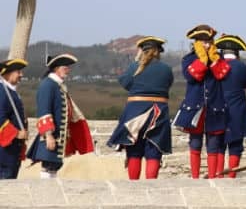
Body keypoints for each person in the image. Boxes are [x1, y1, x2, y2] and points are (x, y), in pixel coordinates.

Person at [108, 36, 173, 180]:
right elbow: (167, 86)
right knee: (154, 152)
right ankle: (151, 185)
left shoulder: (134, 67)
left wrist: (136, 61)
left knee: (134, 152)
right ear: (158, 52)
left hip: (134, 112)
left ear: (142, 51)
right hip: (158, 112)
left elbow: (125, 83)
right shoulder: (166, 69)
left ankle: (133, 186)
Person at [173, 24, 231, 179]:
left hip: (215, 106)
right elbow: (192, 76)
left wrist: (212, 60)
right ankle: (195, 178)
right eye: (203, 41)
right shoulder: (189, 59)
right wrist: (202, 60)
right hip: (195, 107)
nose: (206, 44)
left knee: (213, 144)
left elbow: (222, 75)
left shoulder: (218, 59)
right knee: (195, 143)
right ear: (196, 42)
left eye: (209, 41)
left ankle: (212, 177)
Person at [27, 53, 94, 179]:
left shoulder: (57, 85)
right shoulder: (48, 85)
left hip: (58, 136)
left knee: (54, 165)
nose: (68, 70)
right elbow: (44, 111)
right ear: (56, 68)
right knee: (48, 166)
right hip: (51, 135)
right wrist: (48, 135)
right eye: (65, 67)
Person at [215, 33, 246, 178]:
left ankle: (218, 175)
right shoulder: (241, 66)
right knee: (235, 146)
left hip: (218, 108)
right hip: (237, 109)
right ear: (237, 52)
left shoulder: (216, 65)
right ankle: (232, 176)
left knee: (219, 145)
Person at [0, 58, 28, 180]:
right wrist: (16, 133)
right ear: (7, 73)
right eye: (18, 71)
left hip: (13, 151)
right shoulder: (2, 92)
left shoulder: (11, 92)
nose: (21, 75)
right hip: (5, 152)